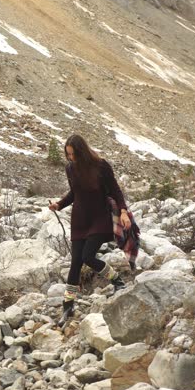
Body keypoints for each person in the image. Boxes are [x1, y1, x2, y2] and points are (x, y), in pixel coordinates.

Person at [49, 134, 132, 325]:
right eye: (68, 155)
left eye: (73, 154)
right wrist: (59, 205)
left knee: (87, 257)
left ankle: (117, 280)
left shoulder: (101, 166)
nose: (70, 158)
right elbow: (74, 193)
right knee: (76, 262)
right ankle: (67, 307)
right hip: (80, 219)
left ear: (81, 152)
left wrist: (123, 212)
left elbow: (115, 190)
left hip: (99, 218)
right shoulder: (70, 168)